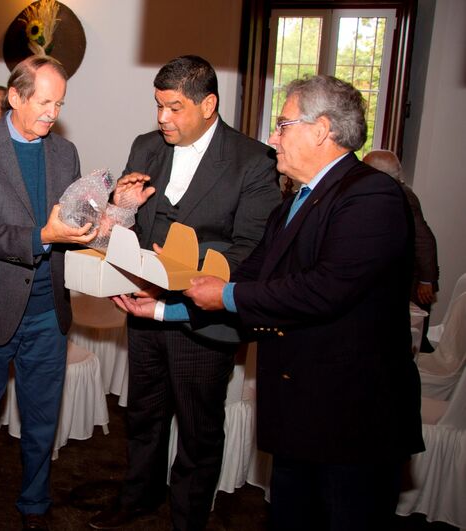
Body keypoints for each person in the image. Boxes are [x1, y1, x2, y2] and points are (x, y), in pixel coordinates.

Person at [164, 75, 424, 530]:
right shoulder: (293, 204)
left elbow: (324, 289)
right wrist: (167, 308)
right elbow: (249, 278)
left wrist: (223, 293)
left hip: (351, 421)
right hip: (298, 412)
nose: (271, 138)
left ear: (321, 130)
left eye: (282, 125)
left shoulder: (371, 195)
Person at [88, 55, 280, 531]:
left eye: (174, 108)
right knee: (143, 412)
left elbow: (250, 250)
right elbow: (127, 228)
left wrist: (177, 297)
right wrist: (122, 207)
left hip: (202, 319)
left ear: (208, 104)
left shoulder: (253, 160)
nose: (162, 119)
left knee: (198, 427)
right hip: (140, 307)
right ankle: (139, 494)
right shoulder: (145, 146)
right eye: (158, 106)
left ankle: (188, 516)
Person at [0, 55, 96, 531]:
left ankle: (35, 505)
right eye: (45, 101)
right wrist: (44, 237)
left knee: (41, 423)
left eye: (60, 103)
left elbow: (71, 218)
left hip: (47, 311)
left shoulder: (64, 152)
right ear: (15, 97)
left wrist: (107, 217)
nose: (53, 112)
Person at [364, 149, 439, 351]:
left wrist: (427, 280)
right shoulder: (391, 192)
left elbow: (423, 240)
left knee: (405, 343)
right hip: (400, 278)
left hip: (411, 282)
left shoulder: (402, 196)